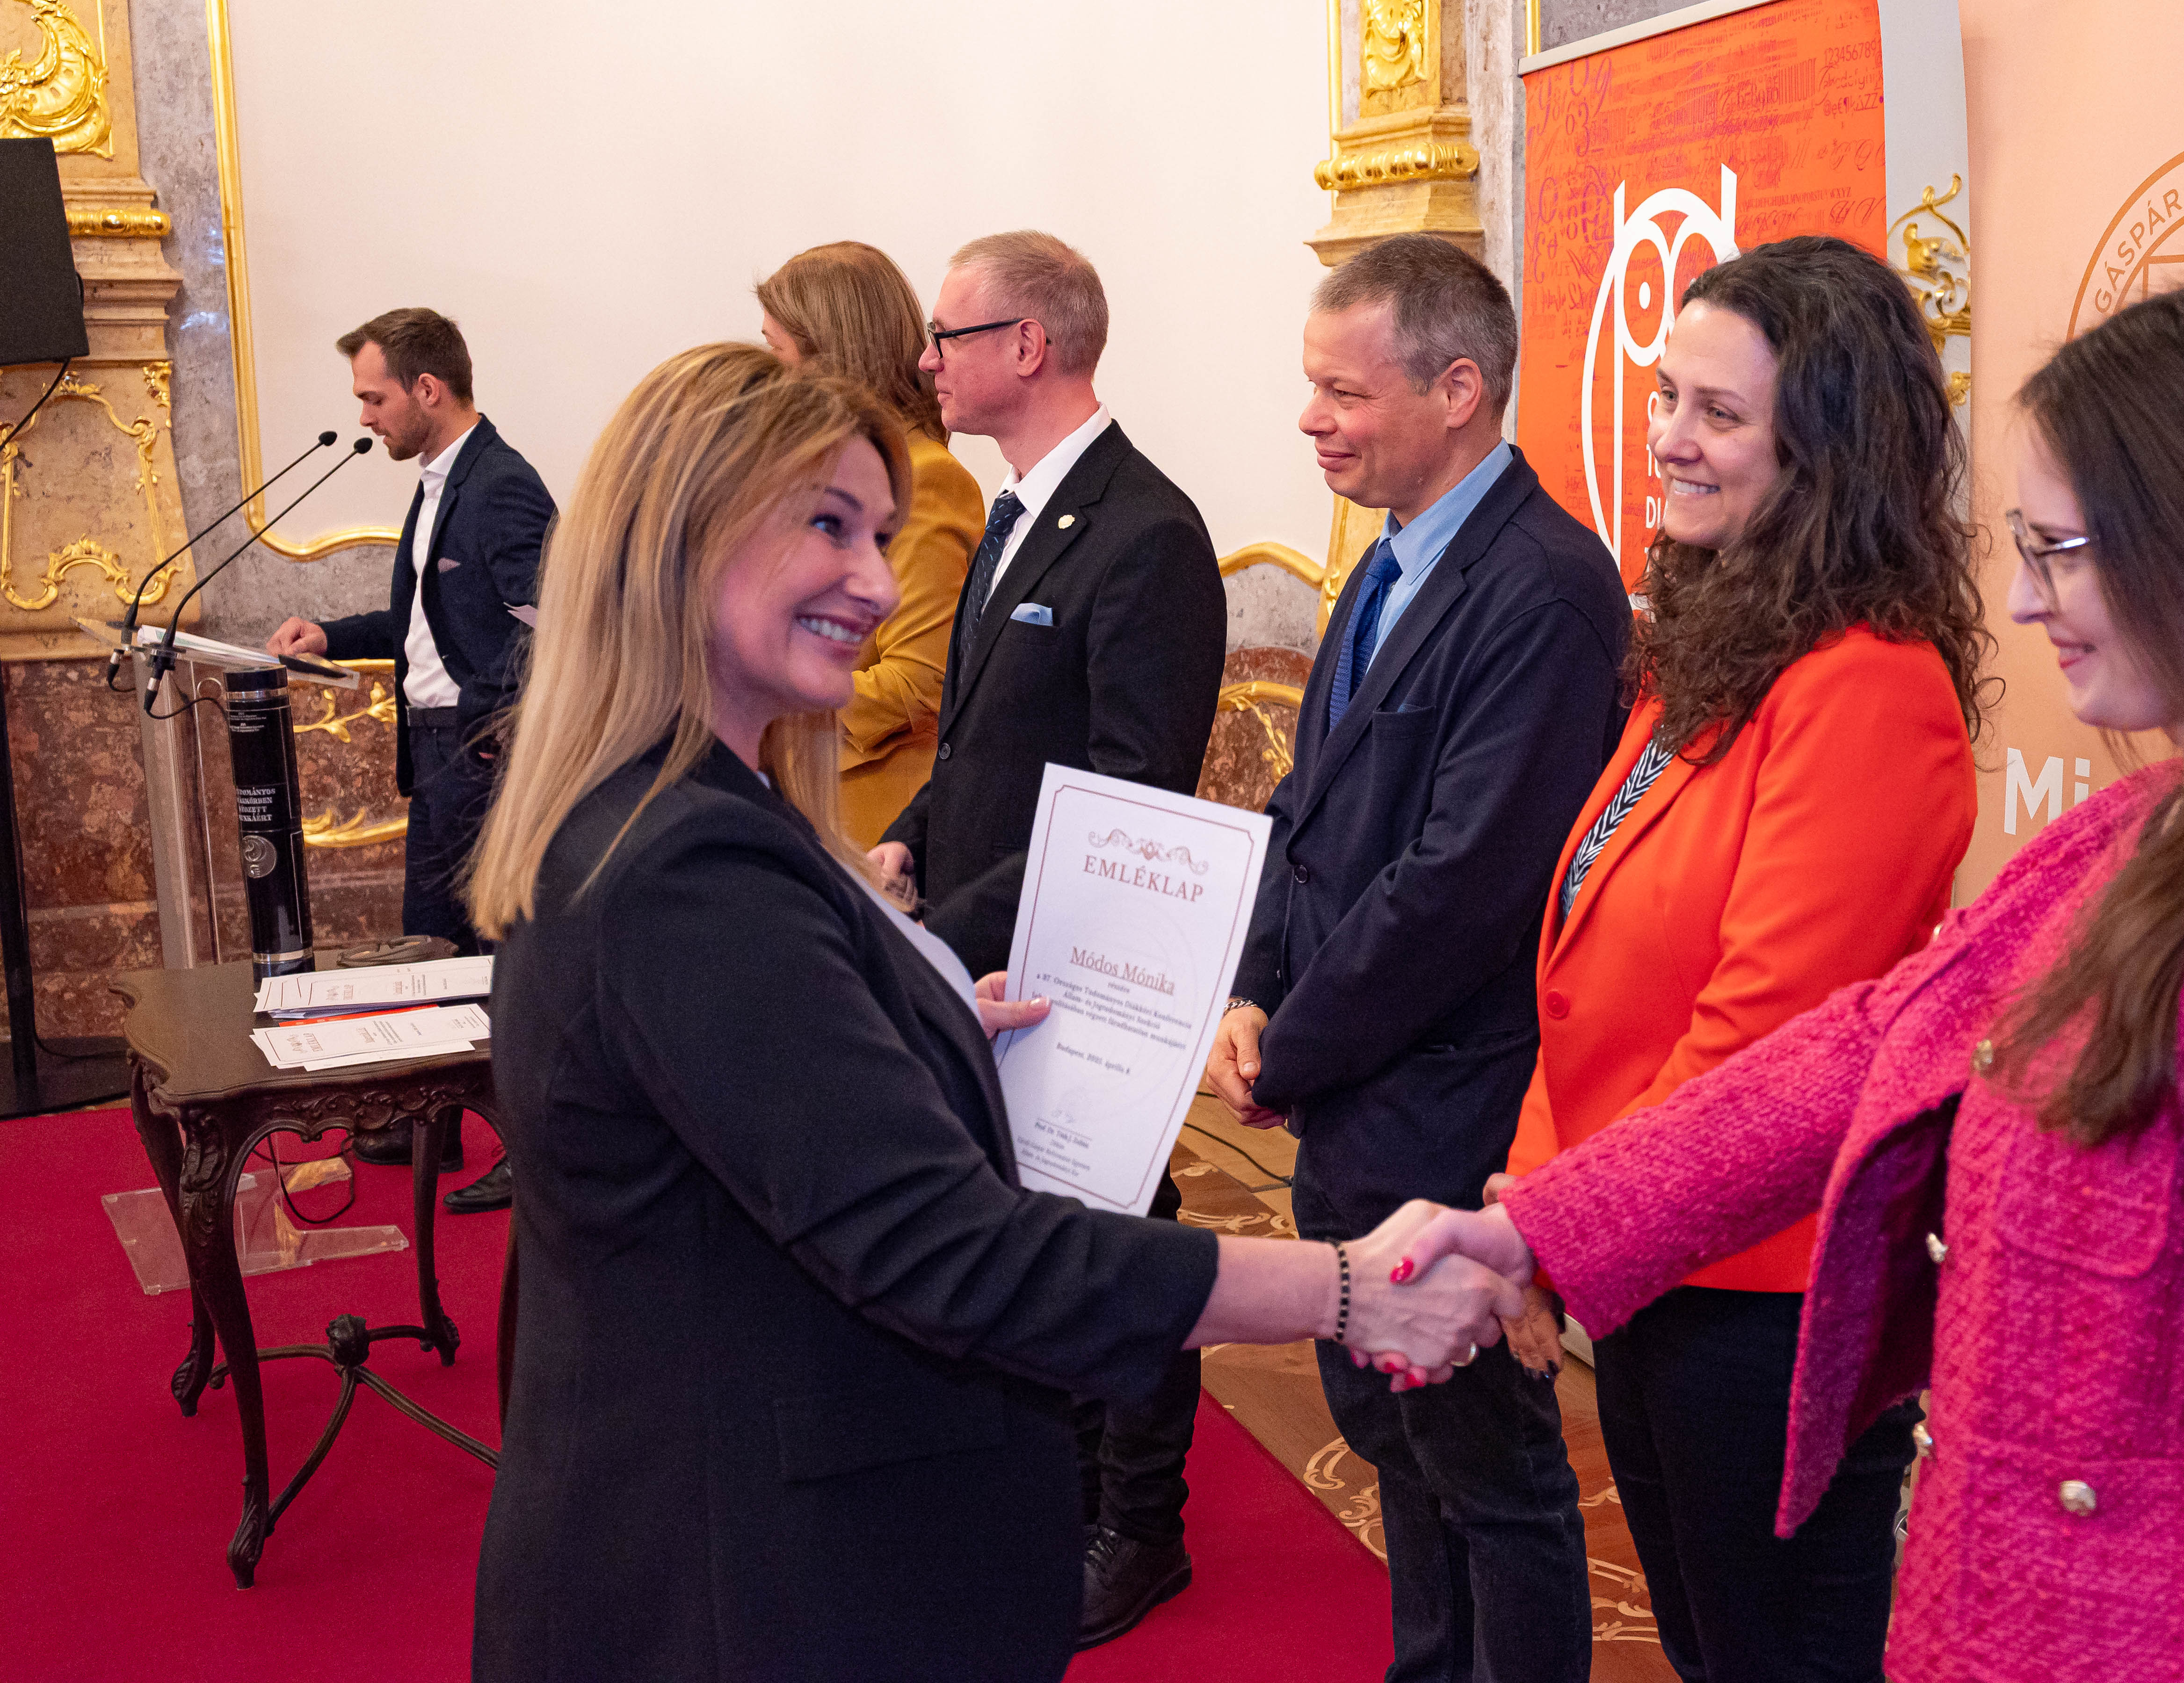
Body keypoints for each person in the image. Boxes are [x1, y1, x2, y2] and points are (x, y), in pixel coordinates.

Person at [1401, 268, 2184, 1683]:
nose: (2026, 600)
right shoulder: (2150, 827)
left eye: (2060, 551)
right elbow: (1869, 1042)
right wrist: (1544, 1227)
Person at [464, 343, 1524, 1683]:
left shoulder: (681, 815)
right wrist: (1349, 1288)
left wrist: (923, 1030)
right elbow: (954, 1253)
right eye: (828, 526)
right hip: (743, 1592)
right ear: (683, 536)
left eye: (880, 536)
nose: (874, 582)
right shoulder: (688, 866)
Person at [1498, 238, 1984, 1683]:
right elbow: (1585, 959)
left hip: (1769, 1300)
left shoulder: (1870, 685)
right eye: (1667, 396)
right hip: (1652, 1261)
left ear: (1827, 457)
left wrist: (1556, 1233)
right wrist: (1538, 1202)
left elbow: (1763, 1039)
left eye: (1719, 413)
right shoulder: (1716, 646)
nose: (1667, 438)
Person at [1204, 232, 1629, 1683]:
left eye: (1344, 391)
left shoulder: (1544, 588)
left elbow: (1461, 888)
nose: (1312, 419)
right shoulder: (1387, 557)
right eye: (1311, 387)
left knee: (1490, 1475)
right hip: (1355, 1098)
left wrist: (1293, 1047)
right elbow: (1305, 814)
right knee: (1396, 1441)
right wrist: (1254, 992)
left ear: (1459, 389)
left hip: (1451, 1113)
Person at [859, 230, 1226, 1646]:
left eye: (948, 335)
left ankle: (1139, 1524)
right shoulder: (1018, 510)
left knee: (1120, 1233)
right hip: (994, 937)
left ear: (1030, 345)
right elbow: (982, 740)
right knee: (1028, 1225)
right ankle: (1053, 1493)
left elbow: (1132, 792)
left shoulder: (1146, 532)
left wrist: (942, 938)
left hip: (1084, 954)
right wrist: (907, 840)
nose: (926, 361)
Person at [266, 306, 553, 1215]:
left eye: (374, 398)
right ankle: (423, 1122)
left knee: (502, 956)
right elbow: (427, 622)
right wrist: (331, 634)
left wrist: (485, 724)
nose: (364, 417)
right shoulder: (439, 482)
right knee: (432, 942)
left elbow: (548, 625)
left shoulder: (502, 485)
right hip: (434, 753)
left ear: (427, 389)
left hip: (479, 753)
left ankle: (534, 1152)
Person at [756, 241, 986, 844]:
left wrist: (769, 681)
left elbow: (920, 681)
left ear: (829, 357)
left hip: (873, 815)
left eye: (776, 353)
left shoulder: (925, 479)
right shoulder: (821, 473)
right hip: (807, 793)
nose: (768, 380)